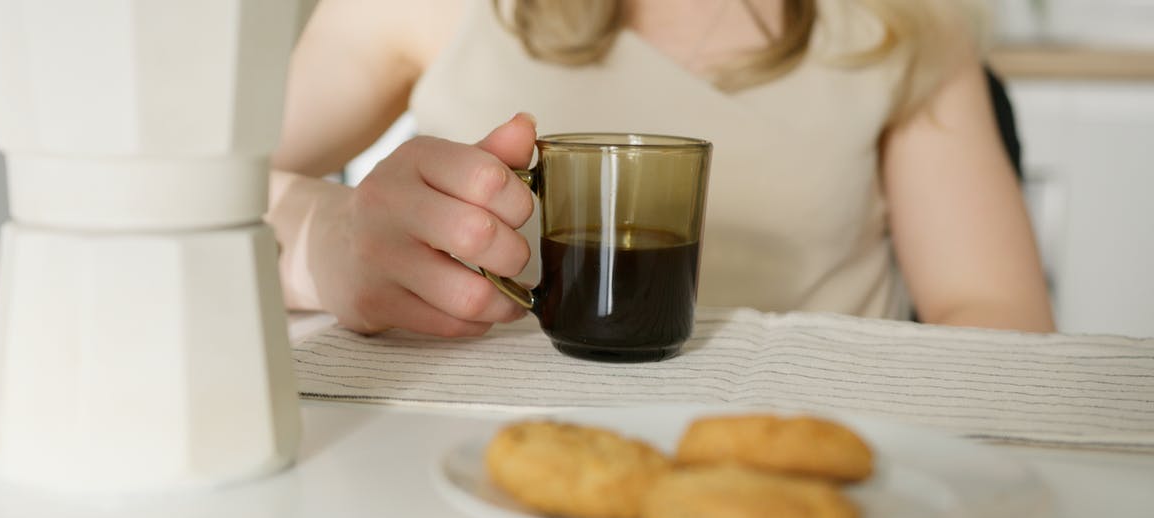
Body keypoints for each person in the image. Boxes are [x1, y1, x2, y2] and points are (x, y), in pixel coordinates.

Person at [267, 0, 1056, 337]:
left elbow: (999, 323)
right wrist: (319, 247)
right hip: (469, 480)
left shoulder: (902, 26)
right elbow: (176, 199)